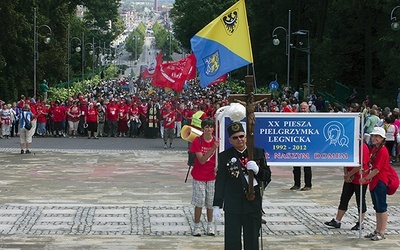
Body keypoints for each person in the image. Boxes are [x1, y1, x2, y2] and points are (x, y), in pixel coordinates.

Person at [213, 122, 269, 250]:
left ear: (246, 137)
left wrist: (258, 170)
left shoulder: (257, 152)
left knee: (252, 240)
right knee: (232, 240)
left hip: (253, 203)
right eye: (235, 137)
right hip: (233, 204)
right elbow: (220, 182)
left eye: (241, 136)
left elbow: (267, 176)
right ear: (230, 141)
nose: (239, 140)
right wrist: (217, 204)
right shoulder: (225, 156)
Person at [324, 140, 370, 230]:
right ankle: (337, 220)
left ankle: (361, 222)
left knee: (360, 200)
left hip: (360, 178)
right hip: (349, 177)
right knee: (344, 198)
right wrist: (346, 174)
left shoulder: (362, 147)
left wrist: (349, 175)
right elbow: (345, 159)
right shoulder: (349, 144)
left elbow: (360, 165)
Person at [360, 127, 391, 241]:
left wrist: (366, 178)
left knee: (382, 207)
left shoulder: (382, 150)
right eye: (373, 136)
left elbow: (377, 169)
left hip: (380, 181)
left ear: (382, 138)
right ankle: (377, 230)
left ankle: (381, 231)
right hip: (374, 181)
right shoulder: (375, 149)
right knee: (377, 207)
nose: (374, 138)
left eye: (377, 137)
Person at [190, 118, 219, 236]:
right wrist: (212, 148)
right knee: (199, 201)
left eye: (211, 127)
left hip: (212, 175)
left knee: (210, 202)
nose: (209, 129)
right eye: (206, 127)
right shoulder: (197, 141)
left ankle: (210, 225)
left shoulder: (217, 141)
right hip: (199, 175)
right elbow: (201, 160)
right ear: (202, 128)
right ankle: (196, 226)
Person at [291, 102, 312, 191]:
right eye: (301, 108)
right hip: (297, 146)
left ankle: (308, 185)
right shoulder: (296, 117)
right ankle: (297, 184)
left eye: (305, 108)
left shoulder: (312, 118)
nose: (303, 110)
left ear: (308, 109)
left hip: (308, 147)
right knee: (296, 167)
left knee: (307, 167)